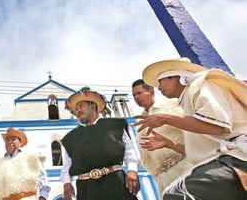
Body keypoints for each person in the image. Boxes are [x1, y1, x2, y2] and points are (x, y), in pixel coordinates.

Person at [134, 57, 247, 200]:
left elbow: (216, 126)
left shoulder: (201, 85)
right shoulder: (188, 102)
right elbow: (202, 148)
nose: (159, 87)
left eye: (161, 81)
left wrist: (164, 118)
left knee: (177, 196)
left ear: (175, 77)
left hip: (239, 157)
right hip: (226, 160)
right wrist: (168, 143)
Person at [60, 87, 140, 200]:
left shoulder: (114, 126)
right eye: (76, 109)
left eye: (80, 106)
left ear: (92, 106)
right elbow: (67, 164)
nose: (77, 111)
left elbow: (129, 150)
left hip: (116, 183)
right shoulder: (71, 137)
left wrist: (132, 170)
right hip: (86, 190)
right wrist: (66, 183)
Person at [132, 79, 192, 197]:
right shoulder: (140, 122)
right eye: (134, 95)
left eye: (139, 93)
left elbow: (191, 129)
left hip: (186, 169)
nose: (136, 97)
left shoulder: (172, 105)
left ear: (151, 92)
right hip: (163, 180)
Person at [0, 127, 51, 200]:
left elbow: (43, 179)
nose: (10, 142)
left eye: (13, 139)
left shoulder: (31, 157)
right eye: (7, 140)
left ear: (20, 142)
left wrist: (42, 197)